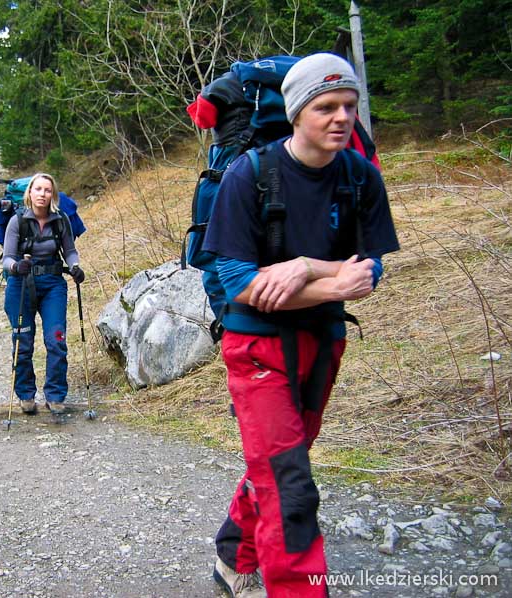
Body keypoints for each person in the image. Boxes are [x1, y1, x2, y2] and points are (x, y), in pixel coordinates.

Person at [202, 53, 399, 597]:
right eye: (326, 106)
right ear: (296, 112)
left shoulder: (360, 177)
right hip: (255, 344)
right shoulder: (251, 175)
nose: (341, 118)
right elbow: (239, 281)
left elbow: (371, 269)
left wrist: (307, 269)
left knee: (282, 459)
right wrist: (336, 283)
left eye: (349, 106)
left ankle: (233, 556)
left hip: (322, 340)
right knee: (290, 480)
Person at [1, 173, 84, 423]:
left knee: (56, 339)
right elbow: (7, 258)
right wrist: (16, 267)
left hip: (52, 284)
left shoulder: (61, 221)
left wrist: (75, 266)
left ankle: (55, 395)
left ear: (53, 195)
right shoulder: (17, 221)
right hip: (21, 285)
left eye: (47, 190)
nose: (42, 194)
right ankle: (26, 394)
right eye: (38, 189)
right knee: (23, 341)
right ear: (30, 193)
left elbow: (69, 250)